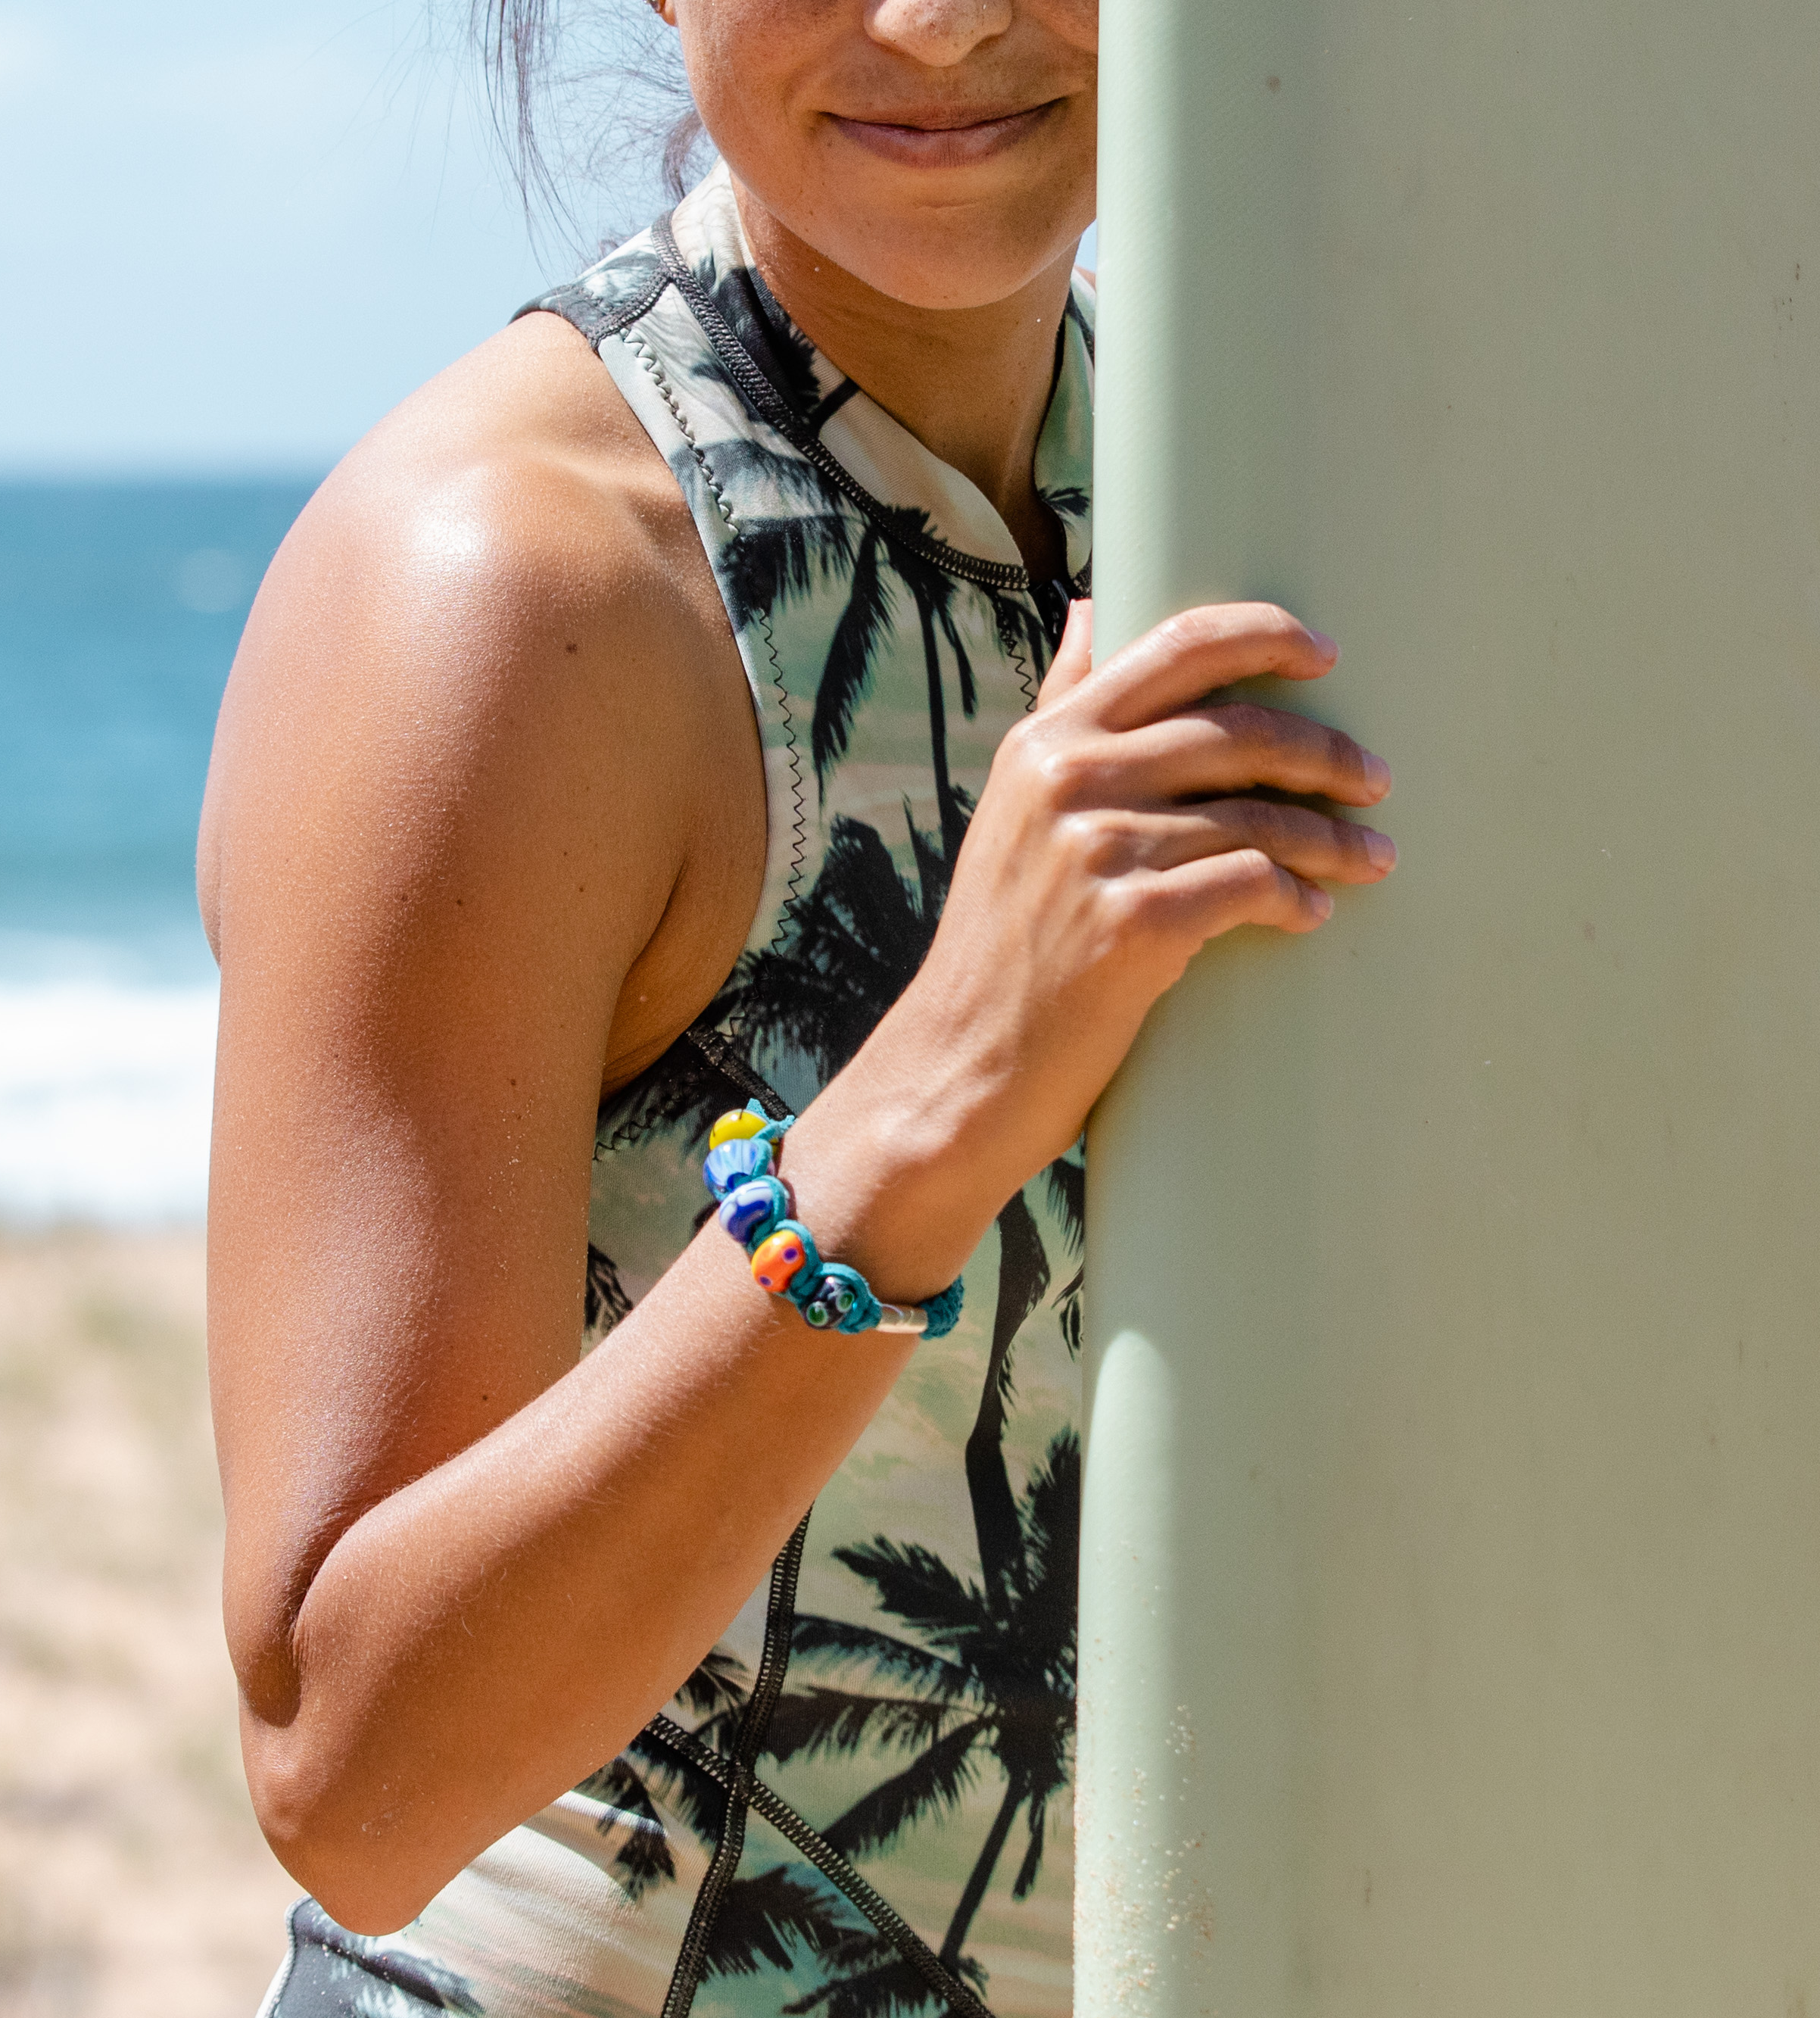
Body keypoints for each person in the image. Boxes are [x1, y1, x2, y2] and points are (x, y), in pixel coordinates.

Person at [197, 1, 1395, 2012]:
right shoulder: (512, 589)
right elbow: (356, 1772)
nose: (941, 19)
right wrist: (930, 1102)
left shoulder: (1253, 496)